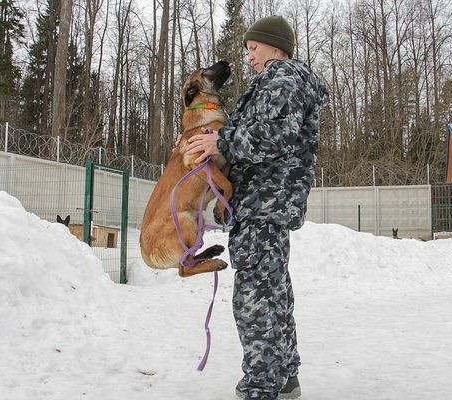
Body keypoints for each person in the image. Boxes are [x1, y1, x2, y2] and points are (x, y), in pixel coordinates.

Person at [186, 15, 329, 400]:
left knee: (256, 296)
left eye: (252, 48)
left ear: (273, 46)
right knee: (274, 289)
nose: (248, 56)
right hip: (269, 200)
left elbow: (274, 134)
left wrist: (222, 143)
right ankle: (284, 376)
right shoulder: (284, 80)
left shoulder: (281, 78)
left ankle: (260, 386)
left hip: (263, 202)